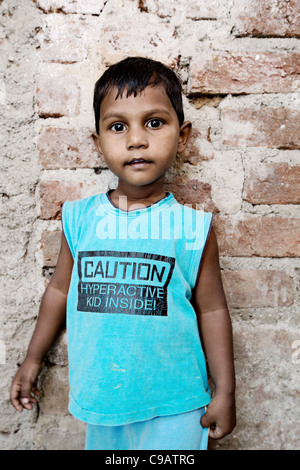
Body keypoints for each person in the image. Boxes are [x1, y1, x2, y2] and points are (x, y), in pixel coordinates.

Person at [10, 57, 236, 450]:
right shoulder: (79, 219)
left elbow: (213, 310)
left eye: (154, 122)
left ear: (182, 136)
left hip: (177, 406)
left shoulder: (193, 228)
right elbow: (60, 292)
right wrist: (33, 359)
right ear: (98, 142)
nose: (136, 140)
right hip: (103, 403)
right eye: (118, 126)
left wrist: (225, 392)